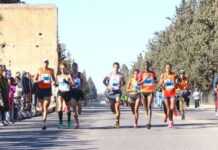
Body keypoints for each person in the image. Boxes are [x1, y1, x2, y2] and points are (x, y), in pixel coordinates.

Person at [103, 62, 125, 128]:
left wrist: (121, 85)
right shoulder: (109, 75)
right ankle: (116, 114)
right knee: (112, 108)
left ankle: (117, 122)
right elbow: (103, 81)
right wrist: (108, 86)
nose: (116, 68)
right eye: (115, 67)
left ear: (119, 68)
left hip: (117, 92)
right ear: (113, 68)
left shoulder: (121, 75)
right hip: (110, 92)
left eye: (118, 67)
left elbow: (124, 83)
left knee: (117, 107)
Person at [35, 59, 55, 130]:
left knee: (45, 105)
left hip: (47, 89)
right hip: (40, 89)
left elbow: (54, 79)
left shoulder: (51, 70)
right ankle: (43, 120)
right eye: (44, 63)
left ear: (48, 63)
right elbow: (35, 80)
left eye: (46, 63)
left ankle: (44, 123)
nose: (45, 64)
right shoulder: (39, 70)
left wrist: (54, 82)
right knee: (42, 108)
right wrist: (39, 80)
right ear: (42, 63)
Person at [138, 61, 157, 129]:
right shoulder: (141, 73)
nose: (146, 66)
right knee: (145, 108)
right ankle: (147, 116)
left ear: (149, 66)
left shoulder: (152, 73)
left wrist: (154, 81)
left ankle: (149, 122)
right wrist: (144, 80)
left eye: (147, 65)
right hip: (143, 92)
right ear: (144, 66)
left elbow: (156, 81)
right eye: (145, 65)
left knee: (149, 107)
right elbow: (138, 83)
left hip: (150, 91)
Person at [159, 63, 177, 128]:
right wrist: (162, 85)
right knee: (168, 109)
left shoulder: (174, 75)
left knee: (171, 108)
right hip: (166, 93)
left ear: (171, 68)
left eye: (169, 67)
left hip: (172, 93)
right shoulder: (163, 75)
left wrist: (176, 84)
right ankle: (170, 121)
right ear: (165, 68)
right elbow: (160, 84)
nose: (168, 69)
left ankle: (170, 120)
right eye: (167, 68)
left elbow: (177, 83)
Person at [56, 63, 74, 128]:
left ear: (66, 68)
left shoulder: (68, 76)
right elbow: (57, 84)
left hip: (67, 92)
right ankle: (60, 123)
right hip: (60, 92)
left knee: (68, 108)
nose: (62, 70)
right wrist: (55, 84)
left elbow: (73, 84)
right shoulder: (58, 76)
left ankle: (69, 123)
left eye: (63, 68)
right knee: (60, 107)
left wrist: (67, 82)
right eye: (61, 68)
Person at [70, 62, 84, 128]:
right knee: (74, 109)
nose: (74, 68)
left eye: (75, 67)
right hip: (72, 92)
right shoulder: (70, 75)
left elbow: (82, 82)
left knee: (79, 110)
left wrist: (81, 88)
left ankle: (80, 108)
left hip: (79, 92)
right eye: (73, 67)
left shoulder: (79, 74)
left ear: (77, 67)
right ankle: (77, 123)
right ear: (72, 67)